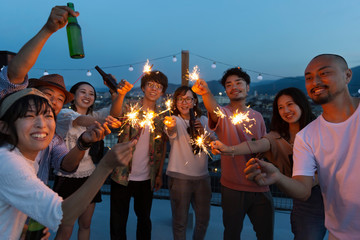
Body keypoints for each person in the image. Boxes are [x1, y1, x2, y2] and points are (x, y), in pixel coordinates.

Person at [245, 54, 360, 239]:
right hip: (340, 233)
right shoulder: (307, 136)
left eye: (324, 73)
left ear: (347, 75)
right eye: (308, 78)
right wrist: (277, 177)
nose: (315, 81)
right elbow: (303, 190)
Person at [0, 88, 136, 240]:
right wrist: (106, 166)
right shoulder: (9, 163)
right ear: (4, 126)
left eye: (48, 115)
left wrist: (20, 229)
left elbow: (66, 163)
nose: (41, 124)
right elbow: (63, 215)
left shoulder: (21, 157)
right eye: (29, 116)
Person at [0, 6, 103, 185]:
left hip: (30, 208)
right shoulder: (12, 112)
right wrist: (48, 29)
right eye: (48, 95)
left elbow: (66, 165)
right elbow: (15, 74)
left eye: (60, 99)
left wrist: (83, 143)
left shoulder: (52, 138)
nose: (53, 102)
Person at [211, 87, 326, 239]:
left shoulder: (319, 129)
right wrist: (228, 149)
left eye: (290, 104)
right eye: (280, 107)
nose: (286, 110)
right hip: (306, 201)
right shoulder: (277, 137)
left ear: (301, 104)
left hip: (333, 195)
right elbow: (256, 144)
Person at [192, 67, 274, 240]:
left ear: (248, 87)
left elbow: (262, 146)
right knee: (231, 233)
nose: (234, 87)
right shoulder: (224, 114)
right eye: (229, 84)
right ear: (226, 90)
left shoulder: (257, 116)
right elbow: (214, 110)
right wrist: (206, 93)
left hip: (260, 183)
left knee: (266, 233)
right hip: (232, 187)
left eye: (238, 83)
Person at [52, 81, 121, 240]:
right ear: (73, 96)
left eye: (91, 93)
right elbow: (80, 120)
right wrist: (105, 122)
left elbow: (114, 112)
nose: (87, 96)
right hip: (66, 178)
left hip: (89, 177)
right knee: (65, 227)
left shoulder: (94, 116)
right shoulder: (64, 114)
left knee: (85, 225)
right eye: (83, 92)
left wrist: (119, 95)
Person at [110, 70, 168, 240]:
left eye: (158, 87)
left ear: (163, 92)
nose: (154, 89)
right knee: (118, 221)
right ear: (143, 87)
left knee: (144, 220)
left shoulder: (163, 116)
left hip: (146, 177)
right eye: (150, 85)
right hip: (122, 174)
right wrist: (121, 94)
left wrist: (158, 174)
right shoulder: (130, 107)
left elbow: (163, 144)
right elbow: (115, 115)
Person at [163, 86, 213, 240]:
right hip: (179, 178)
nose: (184, 103)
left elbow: (213, 144)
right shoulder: (174, 120)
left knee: (203, 220)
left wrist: (202, 132)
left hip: (203, 177)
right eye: (180, 99)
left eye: (188, 99)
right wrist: (169, 126)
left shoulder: (204, 120)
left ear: (195, 101)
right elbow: (170, 132)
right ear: (175, 102)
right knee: (180, 221)